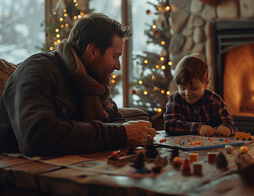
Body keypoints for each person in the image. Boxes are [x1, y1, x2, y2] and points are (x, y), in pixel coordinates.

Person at [0, 13, 156, 157]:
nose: (118, 66)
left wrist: (131, 132)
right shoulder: (38, 70)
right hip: (18, 173)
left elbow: (115, 121)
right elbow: (37, 136)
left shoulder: (93, 84)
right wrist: (121, 134)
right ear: (93, 51)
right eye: (115, 56)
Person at [163, 53, 237, 136]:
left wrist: (226, 128)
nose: (188, 93)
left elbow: (229, 122)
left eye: (194, 88)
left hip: (211, 147)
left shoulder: (214, 100)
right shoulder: (175, 99)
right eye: (182, 88)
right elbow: (170, 125)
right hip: (182, 147)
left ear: (206, 83)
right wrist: (198, 128)